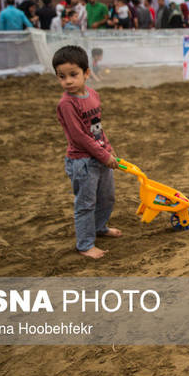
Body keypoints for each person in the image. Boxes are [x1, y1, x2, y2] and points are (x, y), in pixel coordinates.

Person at [53, 45, 121, 260]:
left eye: (73, 75)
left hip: (100, 156)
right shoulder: (66, 104)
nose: (68, 81)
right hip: (82, 162)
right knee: (85, 204)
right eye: (62, 77)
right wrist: (103, 155)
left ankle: (100, 227)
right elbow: (79, 137)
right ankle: (85, 244)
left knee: (107, 198)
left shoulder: (93, 94)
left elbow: (96, 127)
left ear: (86, 73)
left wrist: (108, 148)